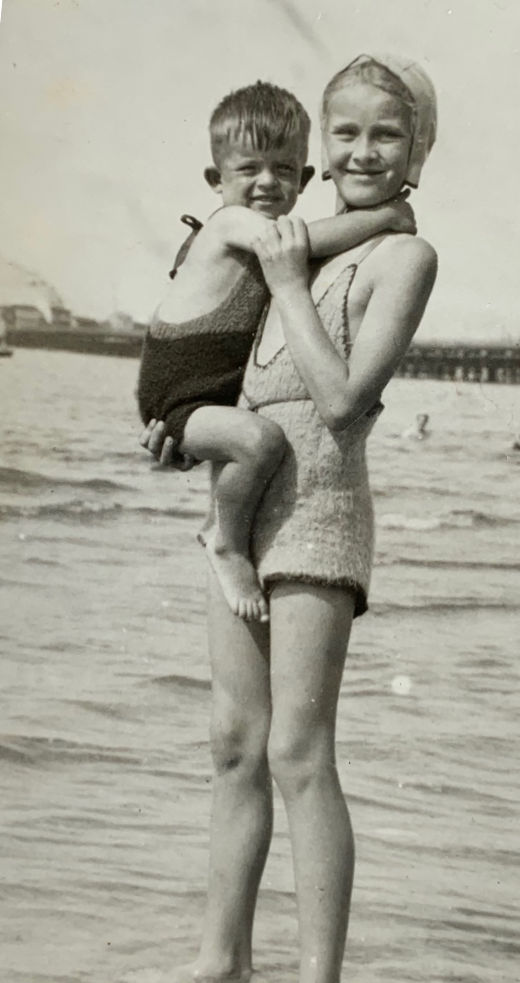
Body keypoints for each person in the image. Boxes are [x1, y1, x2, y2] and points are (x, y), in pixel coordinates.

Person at [144, 54, 437, 983]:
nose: (361, 150)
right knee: (234, 747)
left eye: (385, 135)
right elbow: (238, 380)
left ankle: (319, 974)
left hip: (320, 512)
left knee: (298, 750)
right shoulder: (287, 242)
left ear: (417, 151)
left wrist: (285, 284)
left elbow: (342, 401)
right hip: (247, 508)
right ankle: (218, 961)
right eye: (344, 132)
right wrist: (179, 436)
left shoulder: (400, 254)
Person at [137, 80, 417, 624]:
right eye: (249, 170)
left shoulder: (260, 236)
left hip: (205, 396)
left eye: (284, 170)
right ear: (216, 181)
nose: (267, 182)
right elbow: (298, 244)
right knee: (261, 440)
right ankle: (226, 541)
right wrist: (388, 218)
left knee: (254, 440)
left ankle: (227, 533)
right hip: (177, 395)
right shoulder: (229, 224)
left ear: (306, 178)